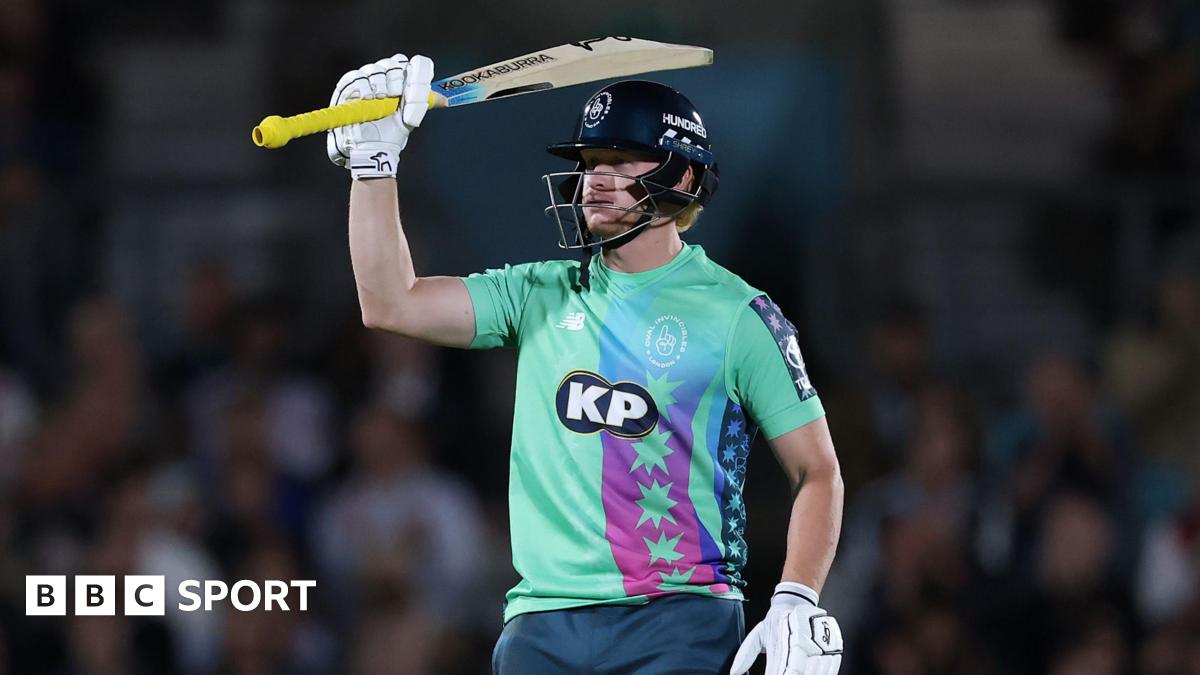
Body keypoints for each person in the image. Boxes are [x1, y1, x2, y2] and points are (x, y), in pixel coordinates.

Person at [327, 53, 846, 675]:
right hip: (539, 626)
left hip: (680, 619)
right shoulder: (541, 292)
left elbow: (818, 471)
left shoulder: (740, 315)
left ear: (682, 178)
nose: (594, 179)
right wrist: (374, 169)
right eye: (590, 163)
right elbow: (390, 303)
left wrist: (796, 594)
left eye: (619, 161)